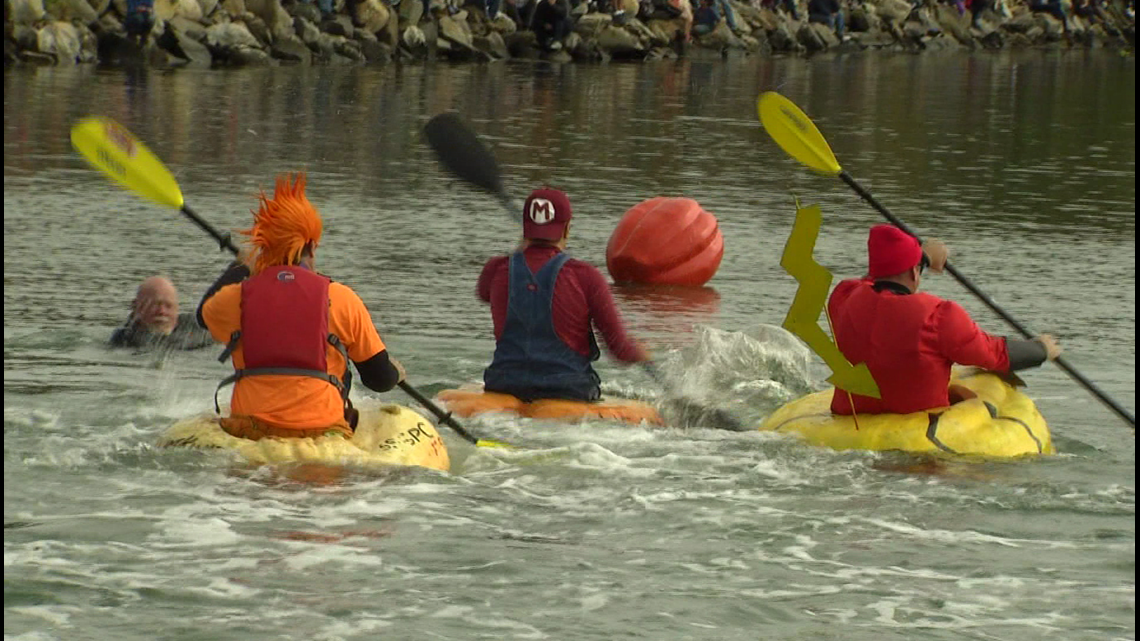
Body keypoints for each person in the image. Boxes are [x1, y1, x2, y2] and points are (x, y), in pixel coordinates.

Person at [197, 172, 406, 441]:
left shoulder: (234, 299)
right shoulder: (341, 298)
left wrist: (242, 265)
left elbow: (203, 315)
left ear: (263, 247)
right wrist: (395, 373)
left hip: (249, 430)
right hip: (322, 434)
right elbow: (377, 379)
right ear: (311, 246)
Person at [827, 224, 1062, 416]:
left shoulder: (843, 299)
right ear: (913, 273)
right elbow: (992, 354)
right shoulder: (939, 316)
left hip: (851, 419)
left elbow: (868, 282)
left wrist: (923, 259)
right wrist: (1040, 349)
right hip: (920, 431)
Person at [477, 188, 650, 402]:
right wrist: (643, 353)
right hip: (568, 390)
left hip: (503, 385)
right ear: (567, 229)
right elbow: (619, 349)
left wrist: (523, 247)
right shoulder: (586, 277)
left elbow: (484, 293)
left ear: (524, 230)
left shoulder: (495, 270)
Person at [110, 276, 213, 351]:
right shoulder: (125, 337)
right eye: (154, 305)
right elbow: (160, 345)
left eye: (168, 306)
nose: (161, 312)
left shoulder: (193, 324)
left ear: (177, 308)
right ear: (136, 307)